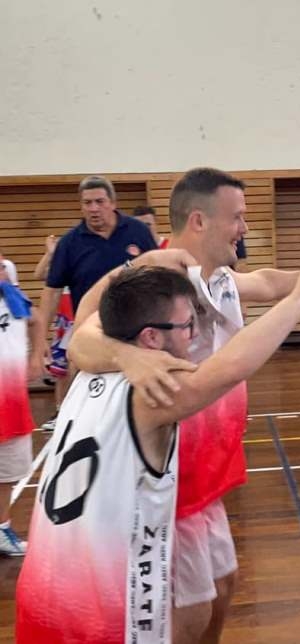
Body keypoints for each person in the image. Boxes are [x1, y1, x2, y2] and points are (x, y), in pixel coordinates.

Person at [16, 260, 300, 643]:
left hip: (41, 599)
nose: (195, 335)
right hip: (101, 623)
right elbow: (232, 366)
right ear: (151, 338)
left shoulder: (91, 368)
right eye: (188, 325)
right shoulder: (152, 393)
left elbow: (88, 313)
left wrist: (134, 266)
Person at [68, 167, 300, 643]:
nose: (245, 227)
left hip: (207, 470)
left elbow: (271, 282)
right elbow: (81, 335)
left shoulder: (218, 278)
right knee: (190, 607)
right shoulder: (155, 278)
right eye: (237, 217)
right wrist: (127, 354)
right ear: (199, 221)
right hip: (166, 478)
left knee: (224, 584)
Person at [36, 176, 157, 428]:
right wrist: (40, 339)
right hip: (92, 332)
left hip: (138, 329)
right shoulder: (69, 244)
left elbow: (160, 275)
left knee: (140, 400)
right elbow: (52, 290)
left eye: (99, 201)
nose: (93, 208)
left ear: (112, 203)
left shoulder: (138, 232)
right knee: (91, 401)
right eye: (87, 203)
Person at [0, 258, 45, 556]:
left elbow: (38, 319)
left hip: (11, 402)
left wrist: (37, 355)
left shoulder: (11, 296)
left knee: (8, 473)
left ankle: (2, 529)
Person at [32, 235, 74, 429]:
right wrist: (50, 253)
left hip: (81, 316)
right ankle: (60, 411)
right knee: (61, 371)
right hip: (65, 321)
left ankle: (77, 412)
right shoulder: (61, 266)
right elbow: (39, 274)